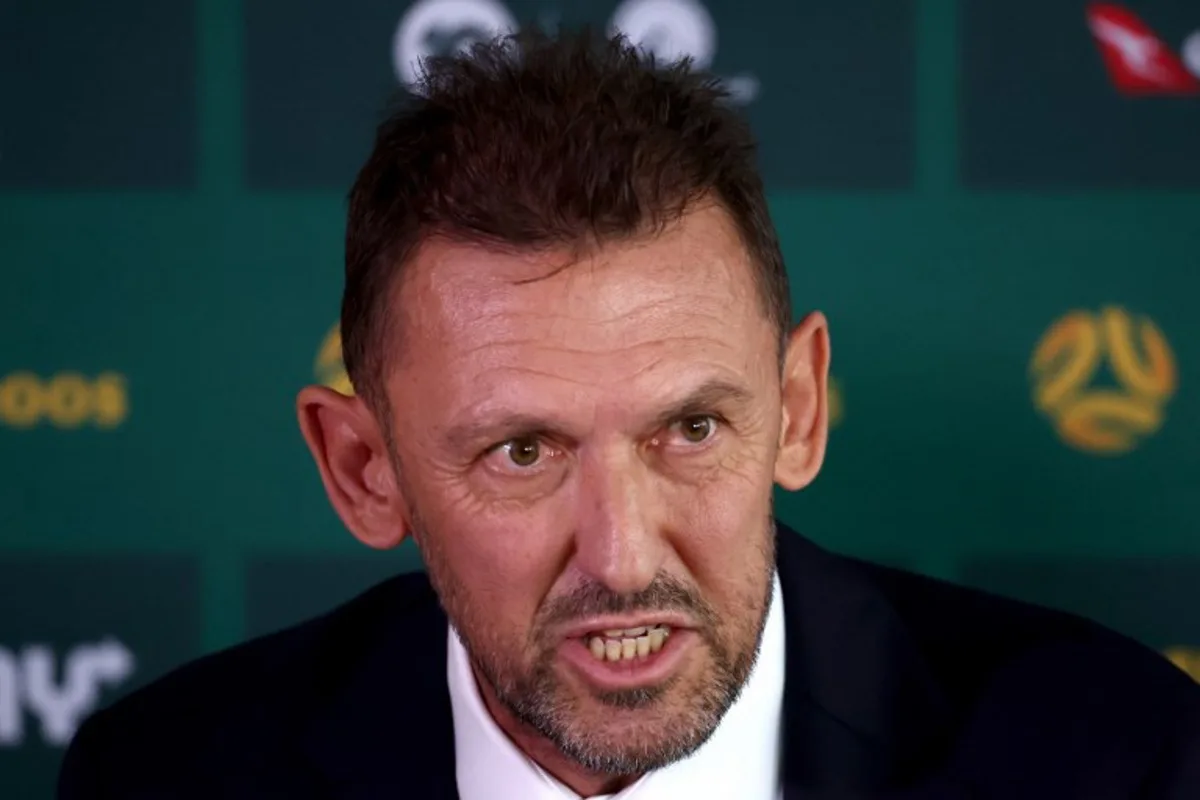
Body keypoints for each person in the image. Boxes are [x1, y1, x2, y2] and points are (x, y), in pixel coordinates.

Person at [59, 28, 1198, 800]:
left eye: (690, 429)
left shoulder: (1115, 757)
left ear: (796, 409)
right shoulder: (164, 773)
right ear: (365, 468)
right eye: (522, 451)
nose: (623, 554)